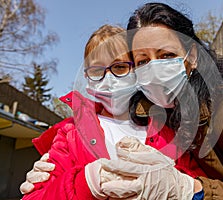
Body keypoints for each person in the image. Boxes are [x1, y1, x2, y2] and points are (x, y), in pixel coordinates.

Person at [99, 2, 223, 200]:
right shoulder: (137, 113)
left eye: (167, 55)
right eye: (143, 61)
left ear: (192, 56)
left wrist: (190, 189)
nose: (155, 69)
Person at [20, 24, 206, 199]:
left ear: (137, 68)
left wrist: (177, 184)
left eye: (119, 67)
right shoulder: (71, 135)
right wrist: (85, 183)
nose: (108, 78)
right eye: (96, 70)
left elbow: (196, 185)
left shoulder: (165, 131)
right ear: (86, 76)